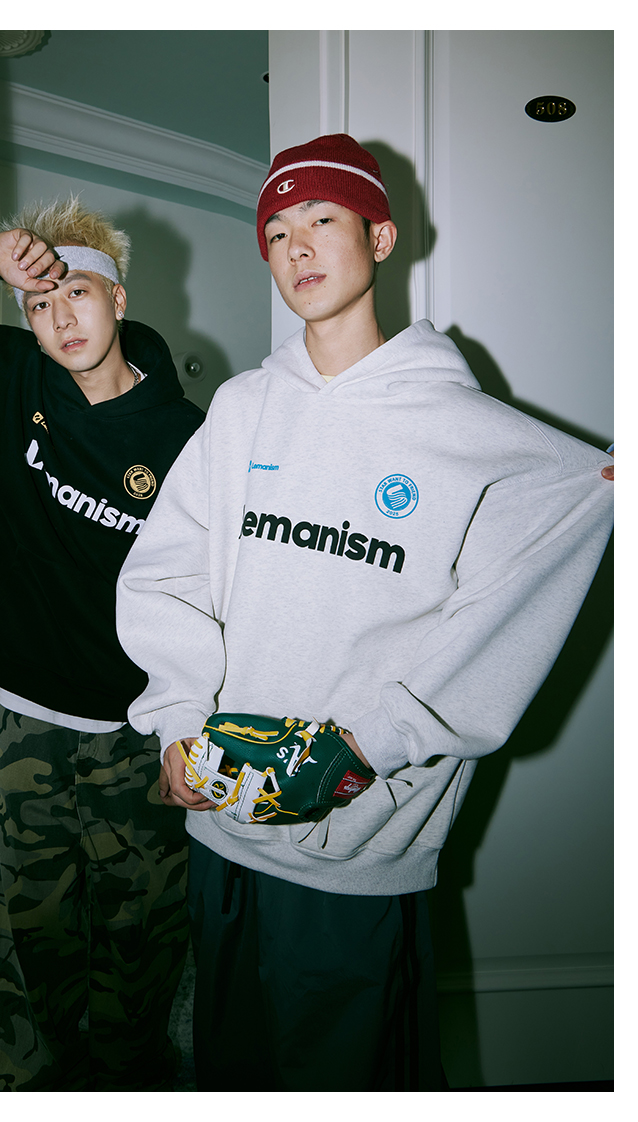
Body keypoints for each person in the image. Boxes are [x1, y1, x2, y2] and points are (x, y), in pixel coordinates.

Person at [115, 134, 614, 1091]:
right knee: (232, 1071)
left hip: (359, 841)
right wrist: (176, 722)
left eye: (322, 219)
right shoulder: (241, 410)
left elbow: (559, 535)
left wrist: (370, 744)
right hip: (223, 824)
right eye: (276, 231)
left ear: (380, 238)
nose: (296, 245)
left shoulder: (461, 426)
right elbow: (165, 576)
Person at [0, 196, 204, 1091]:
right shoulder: (0, 378)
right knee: (24, 934)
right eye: (40, 302)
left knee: (143, 933)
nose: (59, 318)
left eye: (77, 293)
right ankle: (27, 1092)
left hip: (139, 726)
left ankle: (135, 1083)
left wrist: (190, 722)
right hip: (27, 721)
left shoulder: (190, 436)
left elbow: (216, 592)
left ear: (119, 300)